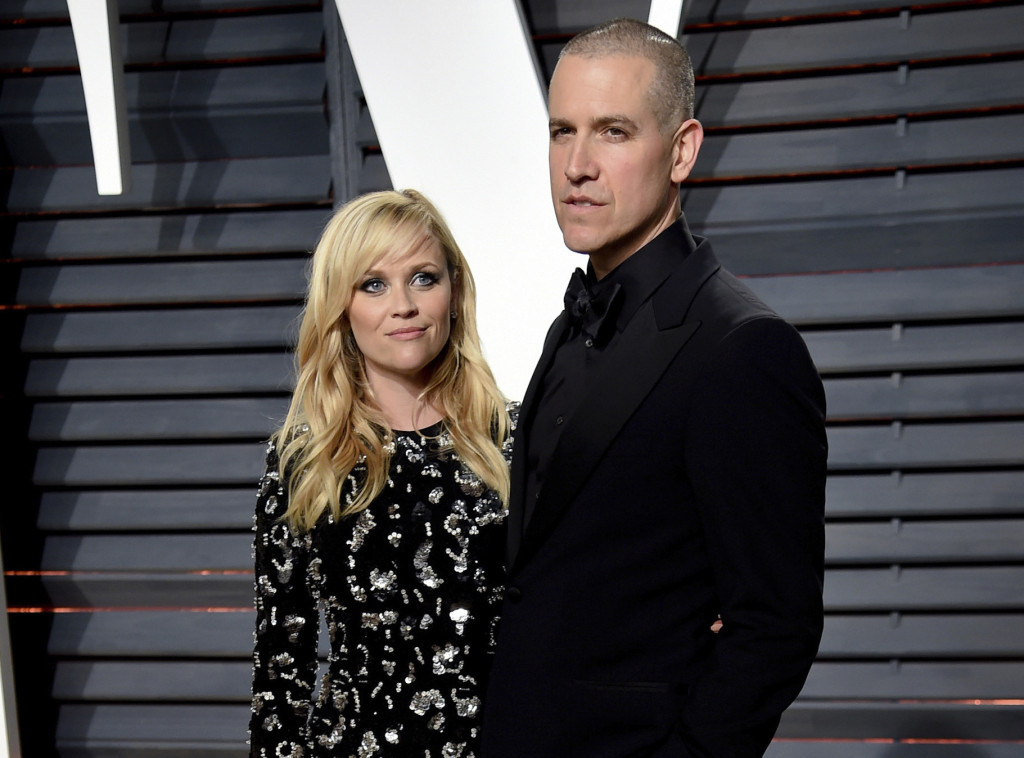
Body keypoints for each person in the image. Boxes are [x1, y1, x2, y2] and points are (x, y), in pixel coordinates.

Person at [481, 18, 828, 758]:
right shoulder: (567, 326)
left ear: (682, 150)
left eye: (613, 132)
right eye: (561, 132)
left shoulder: (742, 348)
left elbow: (776, 626)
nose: (577, 165)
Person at [249, 189, 516, 757]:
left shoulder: (514, 438)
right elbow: (280, 673)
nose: (404, 305)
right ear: (341, 307)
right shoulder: (305, 461)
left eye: (423, 278)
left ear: (454, 292)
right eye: (373, 284)